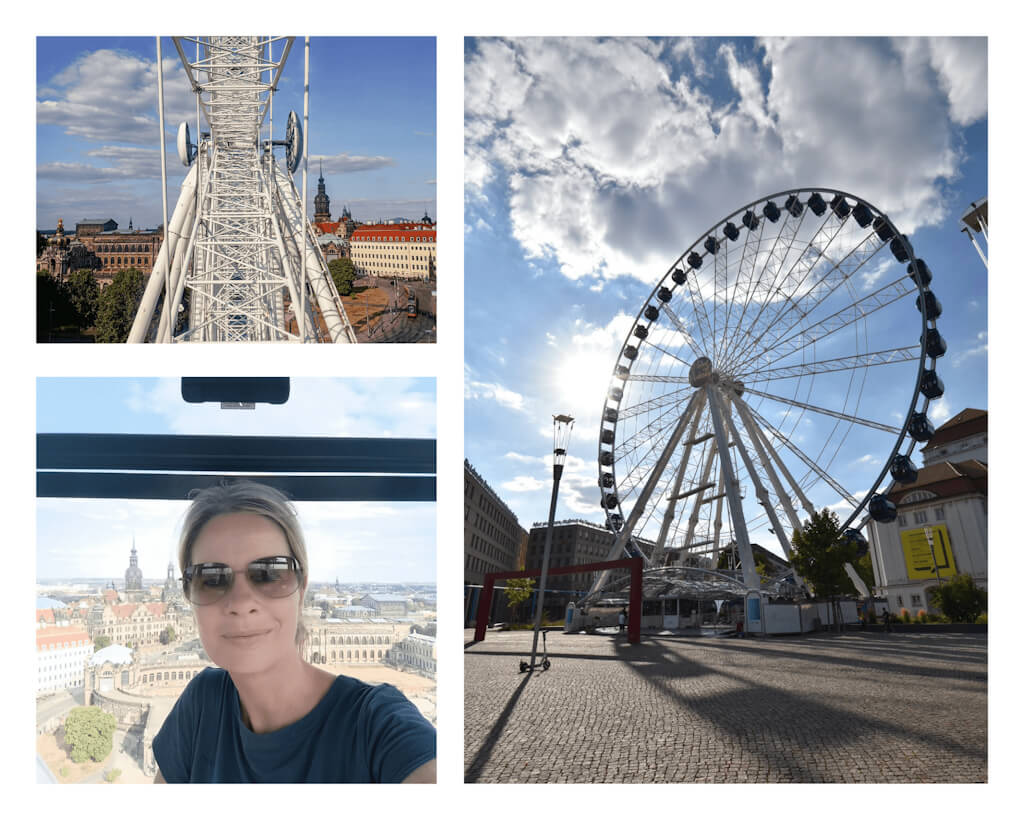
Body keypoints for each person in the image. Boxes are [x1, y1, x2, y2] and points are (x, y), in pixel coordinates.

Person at [152, 481, 436, 783]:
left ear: (301, 589)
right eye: (212, 579)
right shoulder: (201, 703)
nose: (241, 602)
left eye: (270, 573)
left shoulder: (379, 726)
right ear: (188, 595)